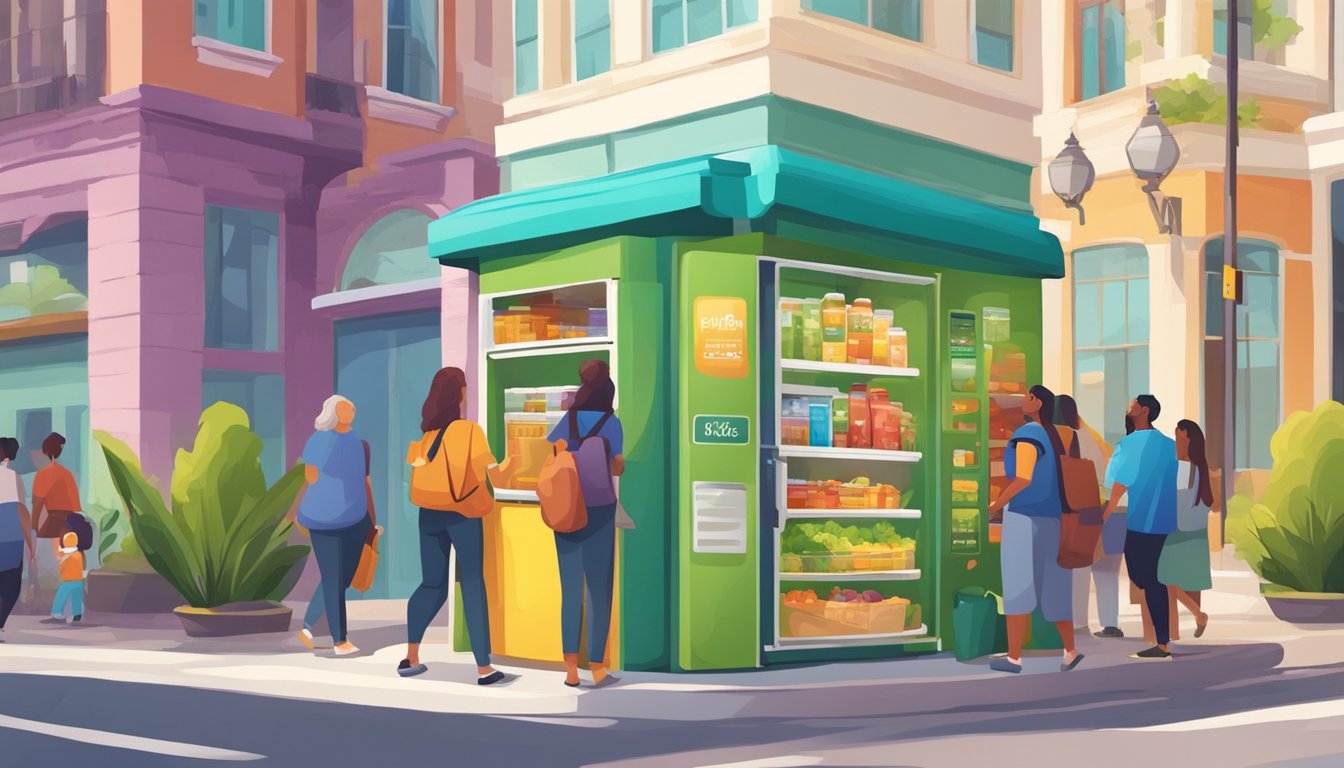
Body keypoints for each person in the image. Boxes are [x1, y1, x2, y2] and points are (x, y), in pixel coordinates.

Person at [399, 367, 511, 685]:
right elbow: (496, 477)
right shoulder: (469, 431)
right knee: (473, 583)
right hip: (463, 515)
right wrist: (516, 458)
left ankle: (411, 656)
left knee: (431, 585)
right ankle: (484, 668)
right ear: (460, 392)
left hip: (429, 514)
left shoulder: (427, 435)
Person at [985, 384, 1082, 674]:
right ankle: (1071, 650)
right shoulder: (1053, 437)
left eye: (1028, 397)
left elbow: (1023, 478)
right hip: (1051, 519)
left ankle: (1014, 657)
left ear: (1037, 403)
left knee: (1018, 587)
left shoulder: (1027, 434)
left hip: (1024, 519)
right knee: (1055, 587)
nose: (1023, 401)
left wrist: (994, 506)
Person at [549, 359, 625, 688]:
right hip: (599, 510)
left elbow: (553, 455)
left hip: (566, 508)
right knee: (598, 589)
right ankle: (596, 667)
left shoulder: (569, 419)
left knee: (570, 592)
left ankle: (569, 670)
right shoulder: (612, 422)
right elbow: (618, 467)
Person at [1103, 394, 1178, 660]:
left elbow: (1117, 486)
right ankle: (1163, 642)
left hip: (1141, 520)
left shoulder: (1129, 443)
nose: (1128, 407)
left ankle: (1162, 645)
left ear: (1144, 410)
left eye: (1132, 404)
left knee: (1143, 577)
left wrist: (1105, 514)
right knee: (1150, 578)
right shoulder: (1169, 445)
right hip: (1164, 519)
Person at [295, 396, 371, 656]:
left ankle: (307, 625)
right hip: (325, 520)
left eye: (351, 406)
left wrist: (371, 517)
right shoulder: (319, 440)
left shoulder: (358, 443)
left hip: (357, 518)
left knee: (340, 579)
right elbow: (311, 476)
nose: (350, 409)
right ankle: (340, 640)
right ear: (332, 412)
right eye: (344, 406)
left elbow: (363, 480)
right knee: (333, 578)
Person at [1056, 395, 1124, 639]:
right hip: (1099, 508)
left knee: (1076, 567)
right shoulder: (1089, 436)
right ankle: (1107, 623)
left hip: (1078, 509)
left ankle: (1077, 622)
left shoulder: (1065, 437)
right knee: (1104, 572)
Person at [1160, 419, 1213, 639]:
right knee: (1181, 581)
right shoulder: (1201, 469)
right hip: (1197, 534)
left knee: (1164, 581)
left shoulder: (1180, 468)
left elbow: (1171, 501)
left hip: (1177, 533)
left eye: (1176, 436)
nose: (1174, 442)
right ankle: (1194, 617)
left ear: (1185, 436)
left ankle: (1194, 617)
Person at [0, 437, 36, 641]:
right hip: (9, 536)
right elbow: (22, 510)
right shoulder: (12, 477)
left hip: (8, 535)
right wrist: (30, 543)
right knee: (10, 587)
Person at [31, 433, 81, 550]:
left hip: (57, 523)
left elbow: (36, 507)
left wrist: (33, 532)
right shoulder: (67, 474)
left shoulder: (42, 475)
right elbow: (76, 507)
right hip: (72, 523)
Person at [42, 519, 86, 625]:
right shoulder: (78, 554)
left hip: (68, 581)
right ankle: (77, 613)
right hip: (78, 581)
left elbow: (61, 563)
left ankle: (56, 612)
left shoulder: (65, 556)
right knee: (77, 597)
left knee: (61, 595)